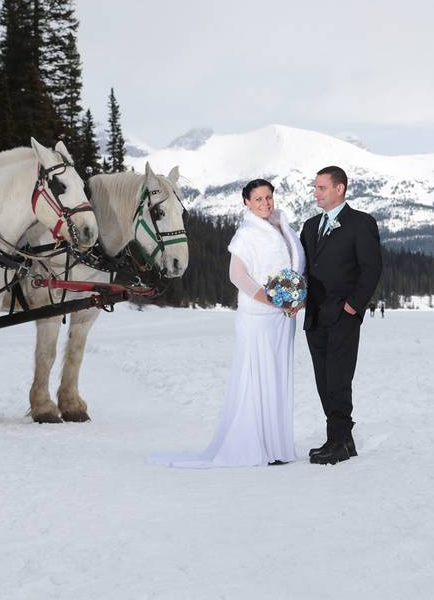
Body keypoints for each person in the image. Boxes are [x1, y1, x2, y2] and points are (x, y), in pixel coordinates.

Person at [148, 179, 304, 468]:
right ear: (246, 202)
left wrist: (295, 299)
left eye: (268, 197)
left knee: (277, 377)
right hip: (258, 316)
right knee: (257, 377)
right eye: (258, 199)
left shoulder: (282, 226)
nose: (265, 203)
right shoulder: (247, 233)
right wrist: (271, 300)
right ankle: (256, 444)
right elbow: (238, 276)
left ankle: (276, 445)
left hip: (283, 318)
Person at [300, 165, 382, 465]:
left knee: (338, 379)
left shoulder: (361, 223)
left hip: (343, 316)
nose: (316, 193)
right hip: (314, 317)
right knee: (323, 380)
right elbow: (306, 269)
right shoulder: (310, 226)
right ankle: (342, 440)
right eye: (315, 187)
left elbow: (372, 268)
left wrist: (353, 306)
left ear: (340, 189)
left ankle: (337, 442)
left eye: (322, 187)